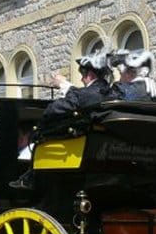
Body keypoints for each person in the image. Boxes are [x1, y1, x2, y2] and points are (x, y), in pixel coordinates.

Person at [10, 51, 113, 189]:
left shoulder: (87, 95)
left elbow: (54, 110)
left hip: (80, 143)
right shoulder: (113, 93)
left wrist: (65, 88)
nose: (82, 80)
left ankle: (32, 178)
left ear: (89, 74)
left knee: (41, 134)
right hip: (107, 148)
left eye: (83, 76)